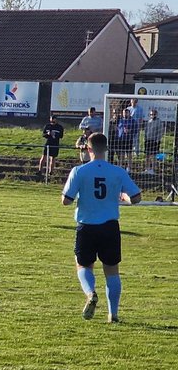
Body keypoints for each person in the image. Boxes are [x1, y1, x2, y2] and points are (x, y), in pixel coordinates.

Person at [62, 132, 142, 323]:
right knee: (112, 270)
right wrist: (124, 197)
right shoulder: (118, 171)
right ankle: (113, 314)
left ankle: (90, 294)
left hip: (86, 226)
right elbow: (136, 198)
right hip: (110, 226)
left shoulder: (79, 171)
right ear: (106, 149)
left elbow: (66, 200)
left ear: (88, 148)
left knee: (83, 265)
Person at [142, 109, 165, 175]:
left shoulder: (159, 122)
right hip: (148, 141)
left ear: (156, 115)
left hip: (155, 141)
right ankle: (147, 169)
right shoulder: (148, 122)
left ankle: (153, 170)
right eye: (151, 114)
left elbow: (160, 132)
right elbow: (145, 131)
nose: (152, 115)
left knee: (153, 156)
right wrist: (145, 139)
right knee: (147, 155)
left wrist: (157, 140)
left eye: (154, 114)